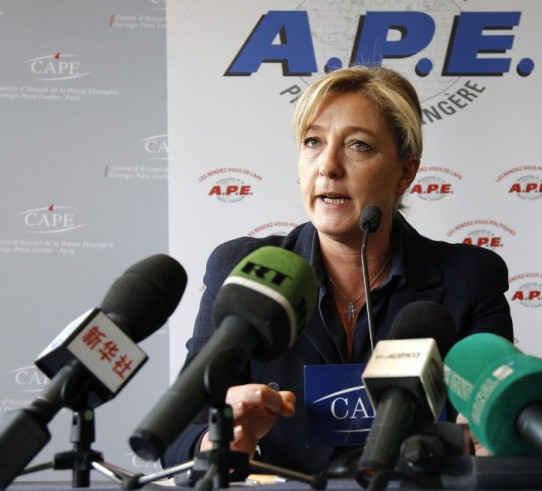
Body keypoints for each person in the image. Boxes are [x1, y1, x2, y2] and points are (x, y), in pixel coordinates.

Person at [161, 65, 513, 475]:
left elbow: (495, 421)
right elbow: (176, 438)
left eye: (358, 146)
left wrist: (491, 437)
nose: (327, 166)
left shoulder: (468, 279)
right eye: (313, 142)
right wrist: (221, 441)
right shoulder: (243, 271)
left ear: (405, 173)